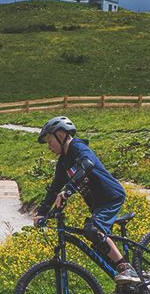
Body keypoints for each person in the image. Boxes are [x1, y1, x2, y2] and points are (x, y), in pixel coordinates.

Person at [33, 116, 140, 284]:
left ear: (60, 135)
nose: (49, 147)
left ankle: (127, 269)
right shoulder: (63, 162)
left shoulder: (78, 147)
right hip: (97, 204)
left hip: (110, 197)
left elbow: (87, 165)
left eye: (49, 141)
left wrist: (68, 191)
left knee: (92, 230)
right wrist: (41, 213)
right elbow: (54, 188)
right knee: (97, 244)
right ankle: (126, 285)